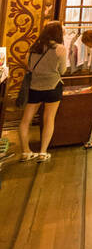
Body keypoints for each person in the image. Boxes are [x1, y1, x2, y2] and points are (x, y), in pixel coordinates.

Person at [17, 20, 67, 161]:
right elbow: (62, 70)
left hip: (35, 87)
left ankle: (25, 152)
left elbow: (30, 67)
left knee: (25, 120)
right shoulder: (60, 49)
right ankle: (43, 152)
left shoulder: (34, 47)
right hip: (53, 86)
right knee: (49, 119)